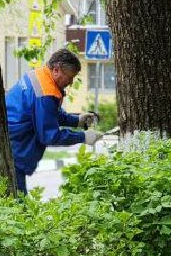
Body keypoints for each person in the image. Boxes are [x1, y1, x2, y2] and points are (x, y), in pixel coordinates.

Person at [5, 47, 101, 193]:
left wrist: (77, 120)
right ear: (56, 70)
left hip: (12, 144)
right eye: (70, 77)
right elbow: (50, 136)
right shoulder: (45, 94)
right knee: (18, 204)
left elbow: (49, 114)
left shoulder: (39, 75)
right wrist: (83, 137)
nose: (70, 82)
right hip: (17, 148)